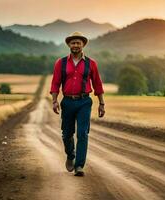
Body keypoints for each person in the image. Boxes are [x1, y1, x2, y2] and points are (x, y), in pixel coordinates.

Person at [49, 32, 105, 176]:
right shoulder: (60, 63)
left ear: (83, 45)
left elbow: (97, 84)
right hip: (67, 102)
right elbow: (55, 83)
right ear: (69, 45)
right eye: (73, 43)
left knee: (82, 133)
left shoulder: (91, 63)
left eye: (78, 43)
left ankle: (79, 165)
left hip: (84, 102)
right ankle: (70, 155)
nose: (75, 45)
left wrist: (101, 103)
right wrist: (54, 101)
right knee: (67, 134)